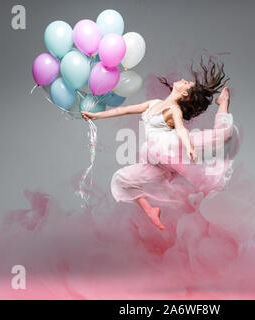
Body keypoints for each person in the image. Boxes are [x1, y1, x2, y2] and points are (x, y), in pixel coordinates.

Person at [82, 56, 234, 230]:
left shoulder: (173, 109)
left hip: (172, 145)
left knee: (223, 135)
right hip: (156, 161)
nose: (183, 80)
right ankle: (150, 211)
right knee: (120, 180)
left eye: (187, 84)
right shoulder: (153, 104)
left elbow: (181, 129)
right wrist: (96, 116)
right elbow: (124, 110)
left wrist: (189, 147)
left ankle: (224, 102)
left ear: (184, 93)